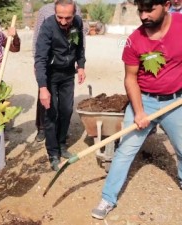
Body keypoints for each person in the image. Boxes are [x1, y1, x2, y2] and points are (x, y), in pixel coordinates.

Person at [92, 0, 182, 219]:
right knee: (125, 151)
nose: (143, 16)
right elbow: (130, 78)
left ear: (166, 4)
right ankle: (108, 198)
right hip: (145, 100)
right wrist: (140, 112)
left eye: (149, 9)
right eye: (140, 10)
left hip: (175, 101)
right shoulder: (134, 40)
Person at [34, 0, 86, 171]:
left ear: (74, 14)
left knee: (66, 110)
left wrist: (81, 65)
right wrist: (42, 87)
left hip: (67, 73)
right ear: (55, 13)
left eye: (68, 18)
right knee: (51, 113)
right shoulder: (48, 27)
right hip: (51, 74)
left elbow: (79, 46)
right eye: (60, 17)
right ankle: (53, 153)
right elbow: (40, 59)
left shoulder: (77, 22)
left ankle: (62, 144)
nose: (64, 22)